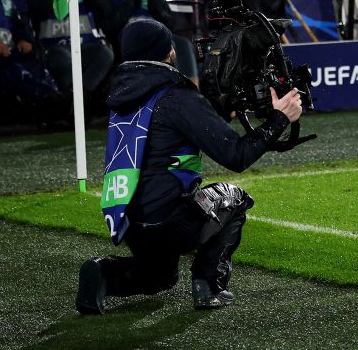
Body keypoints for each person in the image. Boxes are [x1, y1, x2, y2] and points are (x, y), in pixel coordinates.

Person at [75, 19, 302, 315]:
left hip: (131, 221)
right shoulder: (177, 96)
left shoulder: (124, 93)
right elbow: (236, 157)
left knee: (159, 277)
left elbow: (164, 130)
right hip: (169, 222)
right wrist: (279, 117)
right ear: (168, 52)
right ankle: (209, 285)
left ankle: (101, 272)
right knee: (235, 198)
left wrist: (216, 112)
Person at [27, 0, 114, 99]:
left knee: (105, 53)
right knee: (65, 59)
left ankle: (77, 97)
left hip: (84, 45)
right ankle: (74, 104)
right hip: (53, 47)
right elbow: (38, 10)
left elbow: (100, 8)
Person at [104, 0, 198, 82]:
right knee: (162, 44)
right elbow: (111, 26)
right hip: (129, 35)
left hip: (155, 31)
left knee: (183, 44)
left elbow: (170, 24)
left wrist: (157, 3)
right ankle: (167, 86)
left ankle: (191, 88)